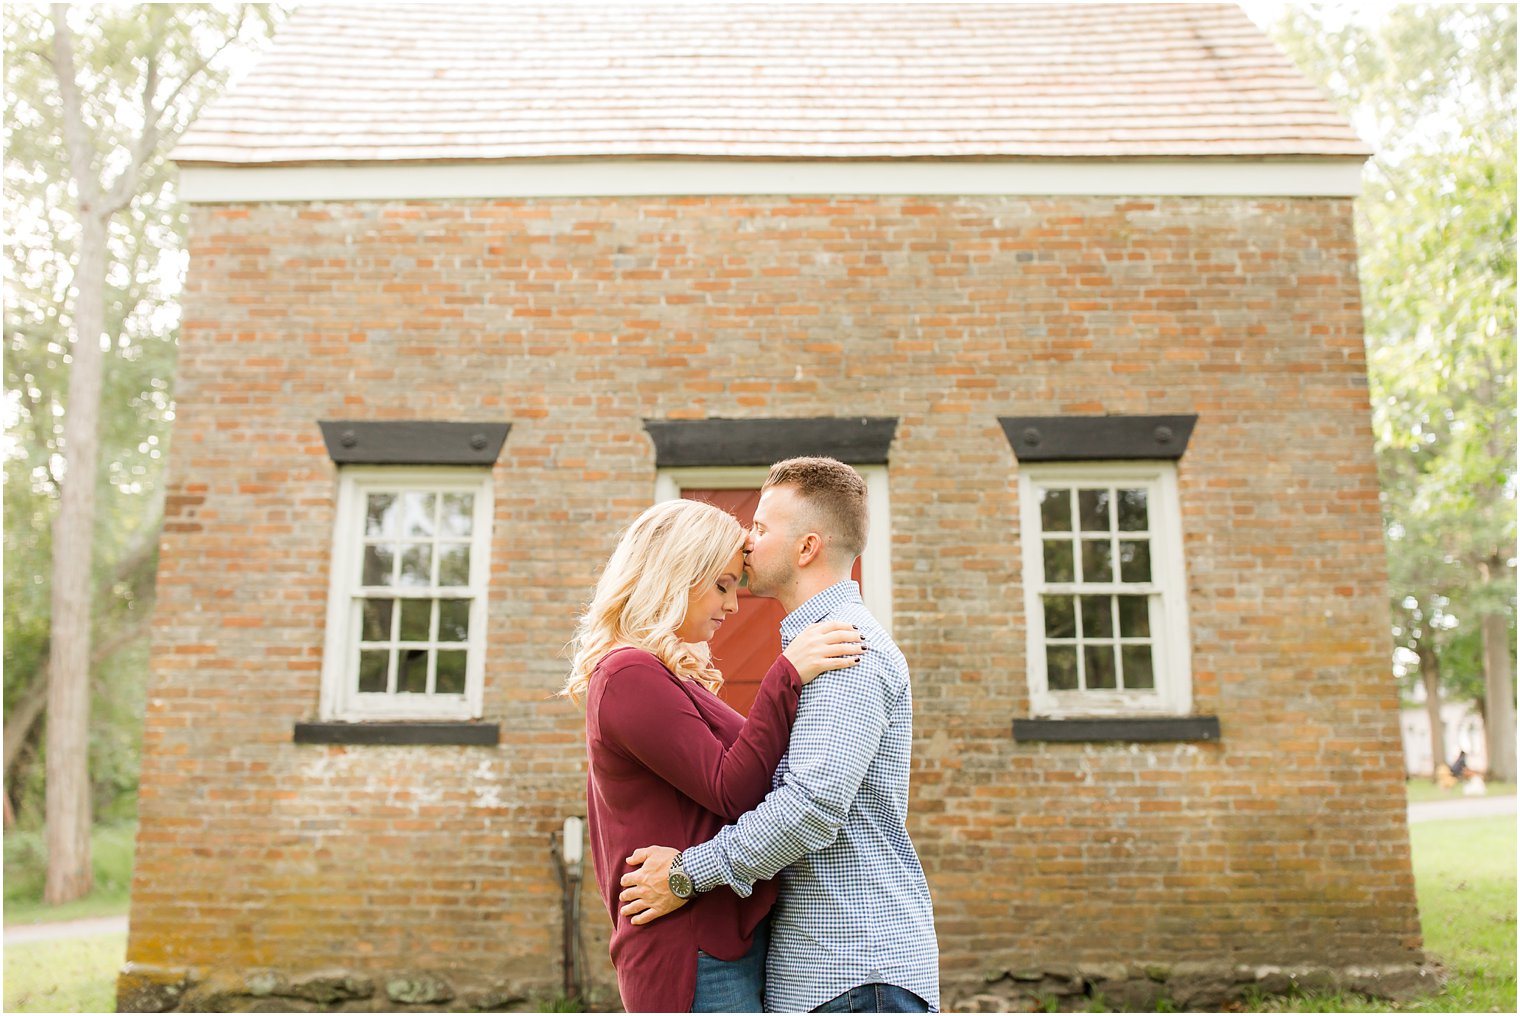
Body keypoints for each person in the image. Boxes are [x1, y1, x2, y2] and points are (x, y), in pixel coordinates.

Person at [618, 457, 941, 1013]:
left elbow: (810, 809)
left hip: (854, 973)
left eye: (763, 527)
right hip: (830, 974)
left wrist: (684, 874)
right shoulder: (819, 648)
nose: (747, 537)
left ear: (807, 548)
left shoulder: (847, 652)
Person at [562, 497, 866, 1013]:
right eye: (723, 585)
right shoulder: (627, 674)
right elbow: (731, 787)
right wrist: (785, 675)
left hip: (717, 936)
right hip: (688, 950)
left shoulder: (665, 674)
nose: (732, 606)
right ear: (677, 574)